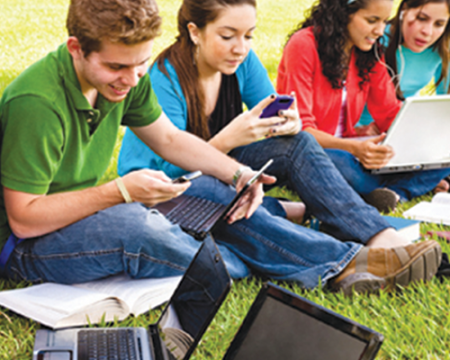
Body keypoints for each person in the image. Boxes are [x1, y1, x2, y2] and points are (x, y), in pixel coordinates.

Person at [0, 0, 441, 295]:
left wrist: (239, 175)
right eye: (118, 66)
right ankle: (271, 255)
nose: (133, 79)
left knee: (216, 194)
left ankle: (346, 262)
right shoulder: (37, 102)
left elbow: (170, 139)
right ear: (76, 49)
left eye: (139, 65)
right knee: (143, 229)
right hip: (27, 247)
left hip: (94, 209)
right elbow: (23, 219)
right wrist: (120, 192)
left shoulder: (125, 76)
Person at [276, 0, 450, 211]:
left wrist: (425, 142)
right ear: (343, 13)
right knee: (346, 168)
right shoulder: (304, 45)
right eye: (371, 20)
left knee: (442, 153)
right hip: (305, 151)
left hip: (352, 149)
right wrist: (354, 148)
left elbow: (389, 112)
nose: (379, 31)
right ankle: (410, 186)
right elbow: (300, 130)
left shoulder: (367, 52)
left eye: (384, 21)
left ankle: (394, 194)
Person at [357, 0, 450, 193]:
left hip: (406, 134)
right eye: (421, 19)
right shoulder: (375, 40)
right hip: (362, 136)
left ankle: (414, 182)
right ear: (404, 10)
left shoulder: (442, 48)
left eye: (439, 24)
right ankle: (411, 186)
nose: (428, 32)